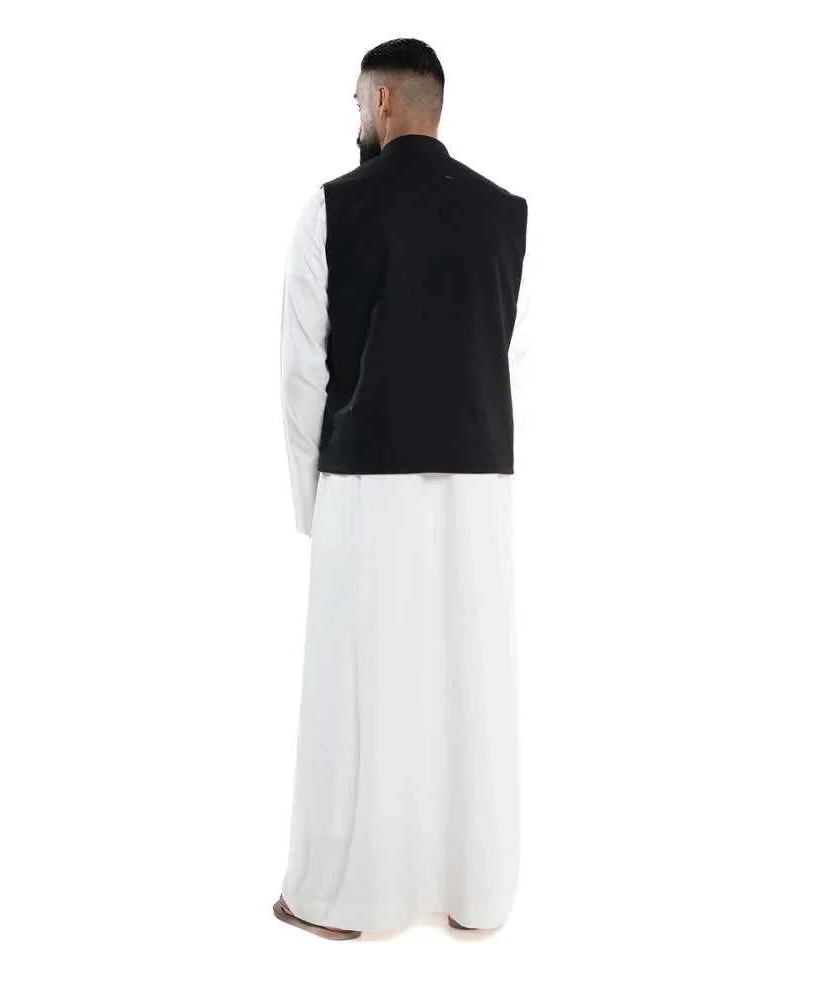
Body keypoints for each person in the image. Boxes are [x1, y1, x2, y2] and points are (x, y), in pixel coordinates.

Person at [274, 37, 532, 940]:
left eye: (356, 102)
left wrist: (311, 505)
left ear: (381, 103)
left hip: (365, 475)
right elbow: (502, 345)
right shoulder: (506, 214)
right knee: (468, 684)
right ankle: (475, 892)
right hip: (480, 479)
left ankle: (342, 898)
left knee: (358, 691)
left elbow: (302, 372)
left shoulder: (332, 207)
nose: (355, 118)